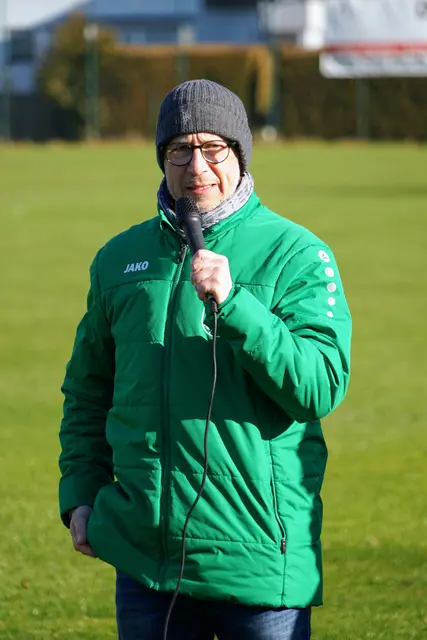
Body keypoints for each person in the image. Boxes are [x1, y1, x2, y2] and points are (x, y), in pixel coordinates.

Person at [58, 79, 352, 640]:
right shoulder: (119, 259)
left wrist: (235, 304)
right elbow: (88, 391)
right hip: (146, 563)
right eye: (180, 150)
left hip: (259, 564)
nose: (197, 166)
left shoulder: (297, 253)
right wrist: (80, 493)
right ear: (162, 159)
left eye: (213, 148)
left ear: (239, 153)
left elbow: (318, 386)